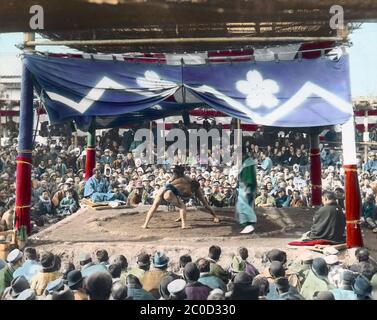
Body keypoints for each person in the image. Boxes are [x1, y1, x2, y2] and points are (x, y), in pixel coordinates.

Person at [142, 165, 219, 229]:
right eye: (174, 174)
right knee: (182, 206)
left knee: (154, 206)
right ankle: (184, 224)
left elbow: (196, 187)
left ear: (180, 174)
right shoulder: (175, 178)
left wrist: (193, 190)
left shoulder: (187, 180)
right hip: (170, 191)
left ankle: (145, 224)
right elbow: (168, 185)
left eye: (176, 174)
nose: (175, 175)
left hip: (170, 190)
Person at [236, 156, 258, 234]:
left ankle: (249, 224)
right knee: (243, 205)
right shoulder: (246, 163)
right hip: (245, 187)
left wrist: (248, 189)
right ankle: (248, 225)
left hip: (246, 188)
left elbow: (250, 178)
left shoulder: (248, 164)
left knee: (243, 205)